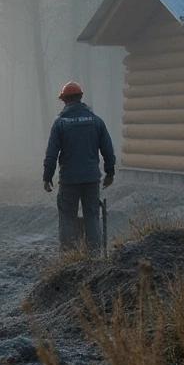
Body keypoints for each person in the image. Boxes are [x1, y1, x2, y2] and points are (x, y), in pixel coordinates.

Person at [43, 81, 115, 251]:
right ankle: (95, 255)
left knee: (67, 217)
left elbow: (51, 154)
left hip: (69, 180)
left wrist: (47, 177)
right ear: (81, 98)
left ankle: (69, 256)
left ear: (65, 100)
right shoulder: (96, 121)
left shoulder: (60, 123)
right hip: (91, 179)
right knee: (92, 217)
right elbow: (108, 150)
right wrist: (110, 172)